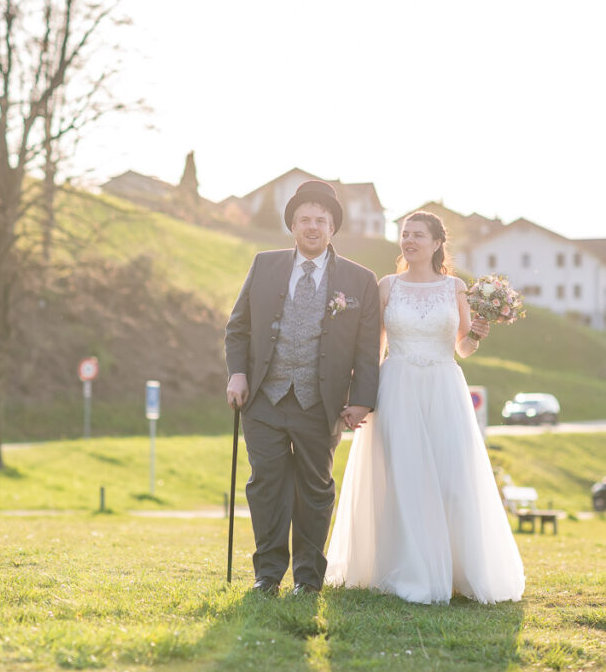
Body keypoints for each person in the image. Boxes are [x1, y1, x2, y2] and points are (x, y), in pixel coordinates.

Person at [326, 210, 525, 604]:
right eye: (405, 234)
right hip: (397, 386)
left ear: (437, 243)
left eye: (418, 234)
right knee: (404, 477)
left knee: (452, 480)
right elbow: (374, 349)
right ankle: (409, 569)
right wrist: (360, 396)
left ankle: (456, 568)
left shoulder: (455, 288)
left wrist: (476, 335)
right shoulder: (387, 286)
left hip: (443, 388)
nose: (409, 241)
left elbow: (462, 347)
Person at [225, 180, 380, 596]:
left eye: (321, 221)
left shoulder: (360, 279)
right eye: (305, 220)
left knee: (315, 489)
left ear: (333, 228)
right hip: (264, 398)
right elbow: (238, 328)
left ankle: (308, 579)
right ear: (292, 226)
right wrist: (237, 374)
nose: (312, 227)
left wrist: (362, 400)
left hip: (321, 402)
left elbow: (367, 348)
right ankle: (268, 575)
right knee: (266, 485)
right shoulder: (264, 265)